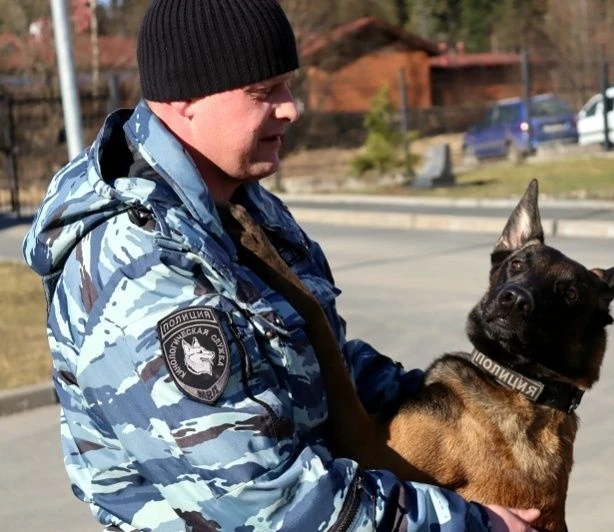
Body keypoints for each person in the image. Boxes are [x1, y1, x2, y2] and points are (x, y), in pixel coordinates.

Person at [23, 1, 541, 530]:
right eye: (263, 91)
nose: (291, 108)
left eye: (287, 86)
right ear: (185, 100)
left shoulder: (241, 206)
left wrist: (454, 408)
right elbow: (263, 501)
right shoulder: (141, 266)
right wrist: (472, 525)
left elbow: (316, 359)